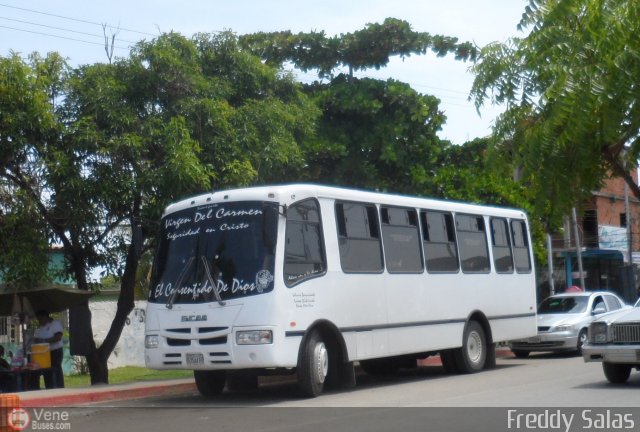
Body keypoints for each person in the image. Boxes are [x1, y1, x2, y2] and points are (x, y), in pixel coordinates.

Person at [33, 310, 65, 389]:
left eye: (40, 319)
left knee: (56, 370)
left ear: (46, 317)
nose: (39, 321)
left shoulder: (55, 324)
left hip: (55, 351)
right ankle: (49, 388)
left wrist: (44, 341)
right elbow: (36, 340)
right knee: (46, 371)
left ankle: (59, 387)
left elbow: (58, 337)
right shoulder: (40, 328)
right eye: (38, 319)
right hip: (44, 353)